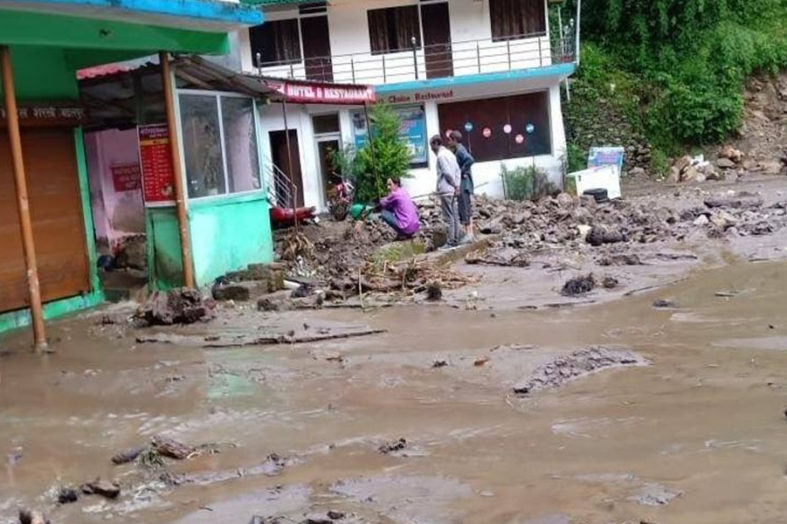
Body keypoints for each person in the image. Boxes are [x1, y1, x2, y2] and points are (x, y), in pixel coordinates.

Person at [430, 134, 461, 247]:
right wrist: (457, 186)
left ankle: (451, 241)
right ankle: (456, 239)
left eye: (432, 146)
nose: (432, 149)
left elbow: (447, 172)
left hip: (446, 190)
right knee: (454, 215)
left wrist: (453, 185)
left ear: (436, 144)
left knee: (449, 217)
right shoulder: (450, 154)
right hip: (452, 190)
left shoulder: (441, 156)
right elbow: (458, 171)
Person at [448, 130, 475, 242]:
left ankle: (469, 234)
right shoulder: (459, 149)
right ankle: (470, 232)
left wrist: (461, 171)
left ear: (454, 140)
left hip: (464, 183)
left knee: (464, 207)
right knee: (465, 206)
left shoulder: (459, 150)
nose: (448, 142)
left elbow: (470, 160)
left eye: (450, 140)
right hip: (464, 182)